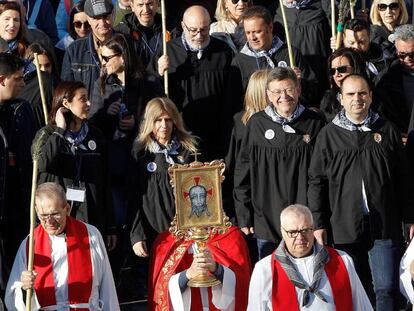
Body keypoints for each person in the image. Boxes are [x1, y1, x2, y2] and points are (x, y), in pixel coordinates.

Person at [308, 74, 414, 310]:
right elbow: (317, 182)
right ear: (341, 99)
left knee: (386, 288)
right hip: (344, 226)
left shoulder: (386, 130)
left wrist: (410, 217)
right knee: (354, 288)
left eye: (362, 93)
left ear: (370, 96)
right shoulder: (328, 136)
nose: (357, 99)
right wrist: (319, 223)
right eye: (351, 94)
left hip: (384, 223)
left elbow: (403, 178)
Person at [234, 67, 325, 260]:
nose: (283, 96)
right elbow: (243, 171)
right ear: (268, 94)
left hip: (304, 219)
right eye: (277, 92)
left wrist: (319, 217)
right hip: (267, 219)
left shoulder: (315, 123)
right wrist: (244, 213)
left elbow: (322, 174)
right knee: (273, 279)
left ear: (298, 89)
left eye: (289, 89)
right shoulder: (256, 124)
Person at [5, 182, 119, 310]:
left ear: (67, 209)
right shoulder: (29, 244)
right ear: (36, 211)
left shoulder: (90, 235)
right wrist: (24, 288)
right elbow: (13, 297)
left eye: (55, 214)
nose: (49, 221)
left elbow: (107, 286)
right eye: (43, 215)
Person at [32, 81, 116, 248]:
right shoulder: (47, 134)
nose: (89, 103)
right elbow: (41, 163)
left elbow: (105, 181)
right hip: (58, 219)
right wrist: (60, 130)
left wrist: (110, 226)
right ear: (66, 103)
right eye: (83, 99)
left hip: (91, 216)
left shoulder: (95, 135)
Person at [248, 204, 372, 310]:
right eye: (292, 232)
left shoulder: (342, 260)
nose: (300, 237)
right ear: (282, 232)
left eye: (305, 230)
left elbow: (362, 306)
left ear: (313, 229)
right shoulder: (264, 270)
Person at [149, 5, 234, 160]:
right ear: (183, 26)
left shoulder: (223, 52)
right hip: (181, 138)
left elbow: (231, 96)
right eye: (193, 30)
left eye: (204, 30)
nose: (199, 35)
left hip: (216, 135)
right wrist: (159, 74)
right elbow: (151, 94)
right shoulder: (168, 52)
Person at [130, 97, 198, 258]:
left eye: (168, 119)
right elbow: (133, 198)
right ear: (149, 122)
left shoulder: (187, 151)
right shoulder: (140, 153)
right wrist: (137, 235)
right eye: (158, 120)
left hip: (185, 232)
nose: (163, 125)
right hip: (153, 231)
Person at [229, 6, 319, 108]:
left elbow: (313, 94)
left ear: (270, 27)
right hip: (258, 122)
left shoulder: (290, 53)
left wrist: (300, 83)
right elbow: (233, 103)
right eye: (248, 33)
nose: (252, 38)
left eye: (257, 32)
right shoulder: (240, 61)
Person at [149, 226, 252, 310]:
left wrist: (217, 269)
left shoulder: (230, 235)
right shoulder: (166, 241)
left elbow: (242, 282)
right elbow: (161, 292)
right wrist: (187, 275)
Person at [0, 52, 37, 278]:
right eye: (18, 79)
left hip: (19, 207)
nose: (24, 84)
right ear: (2, 80)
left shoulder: (23, 110)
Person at [271, 0, 332, 94]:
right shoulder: (275, 10)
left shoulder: (323, 5)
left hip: (319, 74)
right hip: (287, 82)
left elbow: (340, 30)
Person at [61, 0, 114, 98]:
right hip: (87, 112)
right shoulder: (74, 50)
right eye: (96, 18)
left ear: (113, 15)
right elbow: (66, 91)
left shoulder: (126, 44)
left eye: (105, 16)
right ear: (89, 19)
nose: (102, 22)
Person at [375, 24, 414, 135]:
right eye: (402, 55)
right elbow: (381, 113)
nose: (407, 59)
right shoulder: (386, 78)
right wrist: (394, 135)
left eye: (412, 55)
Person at [320, 47, 367, 122]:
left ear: (355, 68)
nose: (337, 74)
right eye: (332, 71)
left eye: (342, 69)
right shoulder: (328, 100)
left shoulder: (371, 97)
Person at [115, 0, 164, 67]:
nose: (146, 10)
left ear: (157, 3)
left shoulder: (170, 28)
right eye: (140, 5)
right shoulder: (121, 33)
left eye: (149, 4)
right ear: (132, 6)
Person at [21, 42, 57, 128]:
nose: (43, 70)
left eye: (47, 65)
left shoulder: (53, 83)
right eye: (38, 66)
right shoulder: (20, 86)